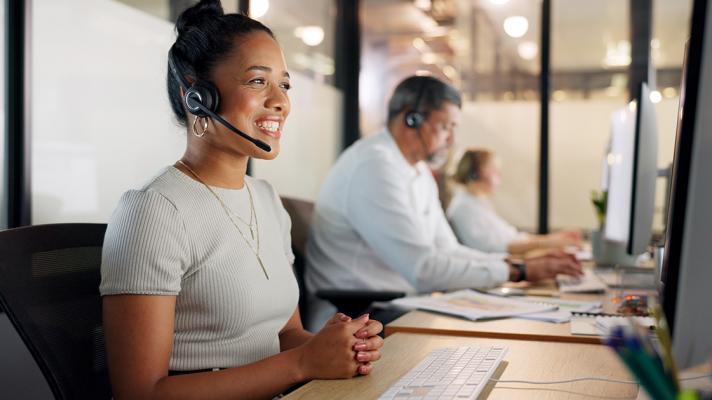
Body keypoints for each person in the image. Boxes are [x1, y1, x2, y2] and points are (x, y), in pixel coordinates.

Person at [99, 2, 383, 399]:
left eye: (284, 84)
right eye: (257, 82)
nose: (281, 101)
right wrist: (303, 363)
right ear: (196, 96)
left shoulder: (266, 200)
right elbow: (140, 392)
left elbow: (285, 335)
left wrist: (339, 348)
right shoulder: (153, 210)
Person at [305, 75, 583, 329]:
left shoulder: (418, 171)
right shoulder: (374, 166)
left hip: (399, 304)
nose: (452, 139)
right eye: (445, 127)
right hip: (357, 313)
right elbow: (424, 270)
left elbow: (447, 249)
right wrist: (519, 270)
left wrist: (513, 264)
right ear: (410, 119)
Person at [448, 149, 583, 254]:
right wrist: (549, 244)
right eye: (494, 170)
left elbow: (511, 236)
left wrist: (552, 239)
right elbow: (494, 248)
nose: (499, 176)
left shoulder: (478, 203)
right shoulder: (463, 209)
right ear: (476, 173)